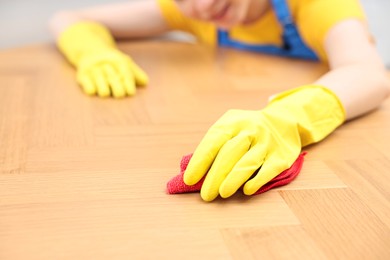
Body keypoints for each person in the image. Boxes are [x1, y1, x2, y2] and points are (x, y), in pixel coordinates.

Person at [49, 0, 390, 202]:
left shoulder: (318, 5)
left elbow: (369, 73)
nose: (201, 7)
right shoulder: (198, 10)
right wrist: (93, 52)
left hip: (355, 152)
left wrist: (287, 118)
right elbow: (69, 18)